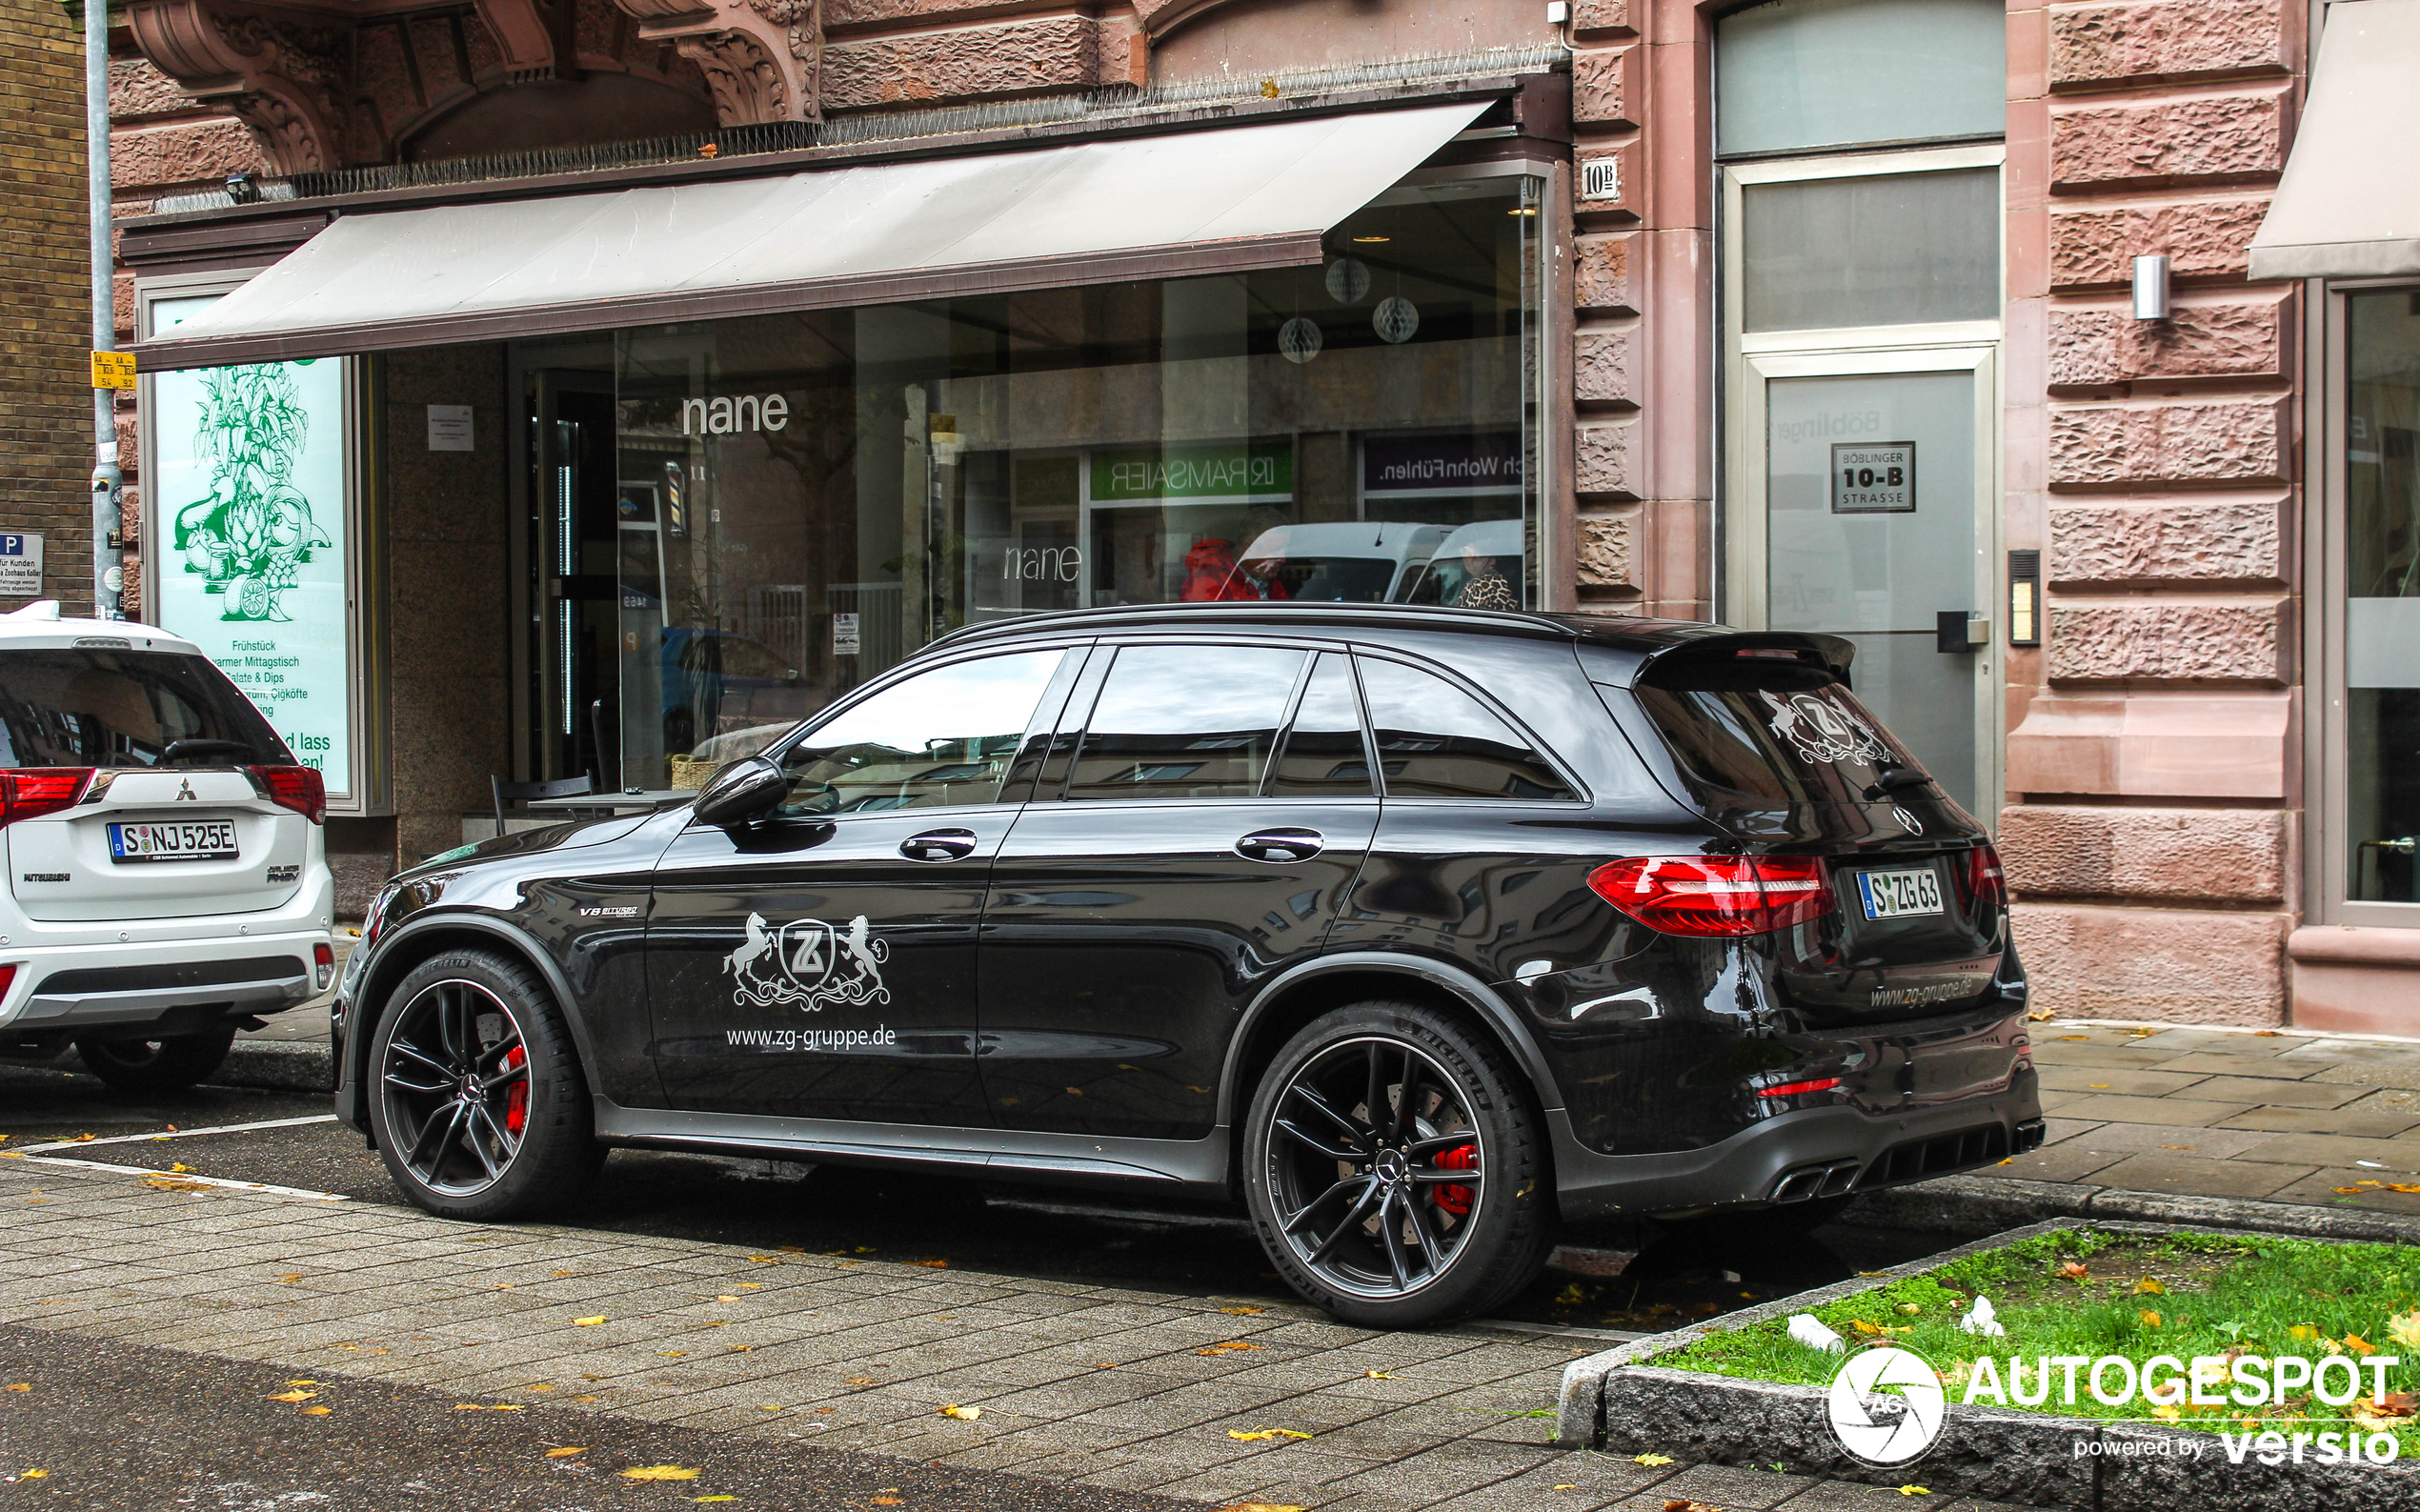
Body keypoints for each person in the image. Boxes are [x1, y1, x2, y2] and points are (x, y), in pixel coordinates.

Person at [1454, 545, 1517, 610]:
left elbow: (1462, 618)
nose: (1465, 560)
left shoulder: (1477, 587)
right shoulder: (1508, 582)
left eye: (1466, 552)